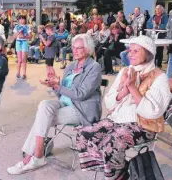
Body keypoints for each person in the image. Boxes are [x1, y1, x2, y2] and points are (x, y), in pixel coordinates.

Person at [75, 35, 172, 180]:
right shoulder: (126, 71)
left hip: (144, 125)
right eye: (129, 50)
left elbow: (152, 112)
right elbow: (109, 102)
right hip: (117, 119)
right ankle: (116, 169)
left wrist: (132, 88)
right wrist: (123, 92)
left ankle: (117, 174)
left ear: (148, 53)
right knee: (84, 134)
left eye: (135, 51)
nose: (129, 54)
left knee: (111, 143)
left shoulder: (159, 77)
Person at [7, 33, 102, 175]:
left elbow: (81, 94)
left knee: (43, 117)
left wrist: (59, 86)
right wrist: (54, 85)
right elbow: (62, 94)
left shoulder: (94, 67)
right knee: (44, 105)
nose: (74, 51)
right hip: (65, 104)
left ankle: (31, 157)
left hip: (82, 109)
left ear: (88, 50)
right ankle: (37, 155)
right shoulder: (71, 66)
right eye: (73, 47)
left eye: (79, 48)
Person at [13, 15, 31, 79]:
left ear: (25, 20)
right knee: (19, 59)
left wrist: (24, 36)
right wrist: (18, 32)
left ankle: (24, 73)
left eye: (23, 19)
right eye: (20, 19)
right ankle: (18, 73)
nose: (21, 20)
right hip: (18, 42)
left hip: (24, 42)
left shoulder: (27, 27)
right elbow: (14, 37)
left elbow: (30, 37)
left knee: (24, 59)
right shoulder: (16, 27)